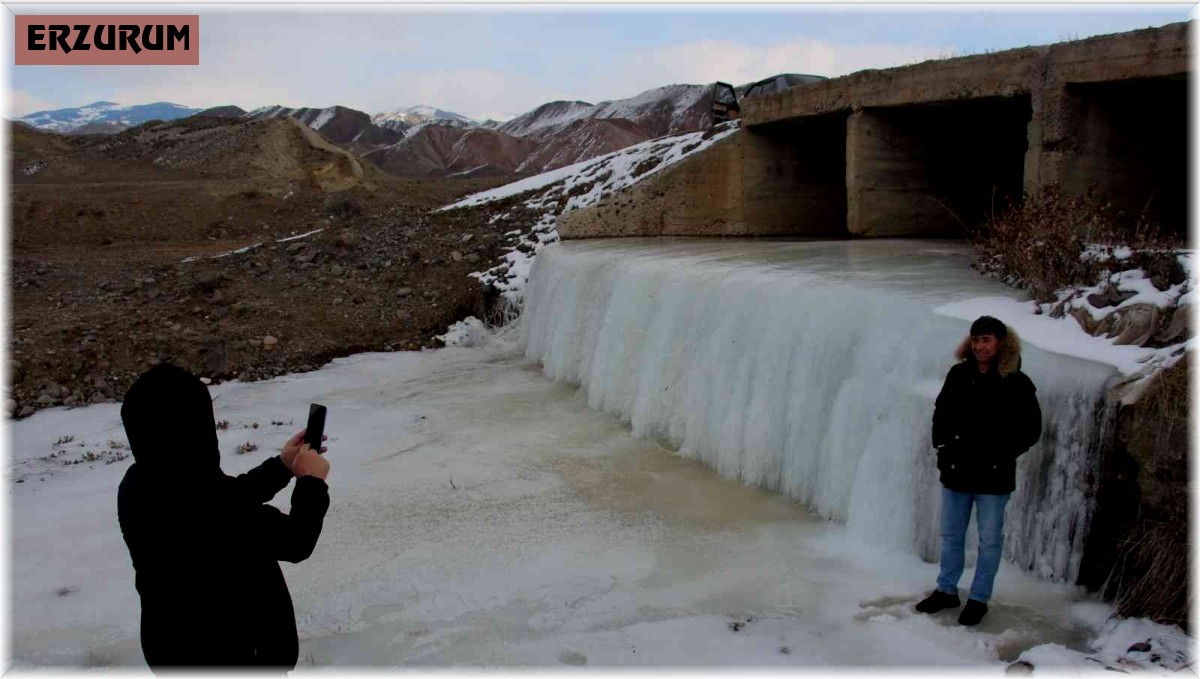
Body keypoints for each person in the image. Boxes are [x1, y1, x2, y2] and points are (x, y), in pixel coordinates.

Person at [117, 363, 331, 671]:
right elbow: (296, 541)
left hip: (173, 652)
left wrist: (283, 466)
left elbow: (230, 497)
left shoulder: (140, 486)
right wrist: (311, 483)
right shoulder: (213, 505)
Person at [915, 316, 1042, 626]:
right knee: (951, 536)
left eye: (986, 340)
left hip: (994, 476)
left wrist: (1002, 453)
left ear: (1001, 343)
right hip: (956, 470)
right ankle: (946, 590)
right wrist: (942, 449)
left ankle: (978, 598)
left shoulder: (1016, 381)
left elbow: (1031, 429)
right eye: (975, 340)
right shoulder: (959, 374)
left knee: (989, 540)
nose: (980, 346)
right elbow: (941, 413)